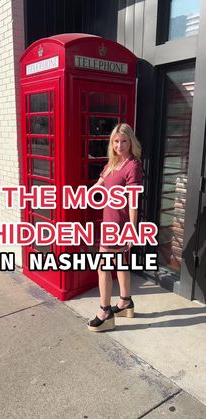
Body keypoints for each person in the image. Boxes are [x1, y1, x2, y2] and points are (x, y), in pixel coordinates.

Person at [87, 123, 143, 332]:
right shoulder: (111, 163)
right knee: (121, 263)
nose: (120, 145)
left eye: (124, 141)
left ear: (131, 142)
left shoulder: (132, 166)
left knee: (103, 267)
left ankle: (105, 312)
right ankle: (125, 302)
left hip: (119, 226)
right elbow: (96, 187)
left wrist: (132, 230)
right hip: (108, 222)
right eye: (116, 141)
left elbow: (133, 202)